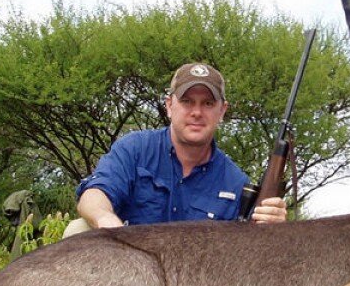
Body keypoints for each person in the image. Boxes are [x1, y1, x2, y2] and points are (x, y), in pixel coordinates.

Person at [69, 62, 287, 233]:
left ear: (222, 111)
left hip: (195, 282)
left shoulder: (236, 183)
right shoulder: (134, 148)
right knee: (78, 230)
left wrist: (271, 226)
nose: (197, 112)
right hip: (133, 273)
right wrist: (106, 220)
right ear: (169, 106)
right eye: (187, 101)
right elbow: (93, 195)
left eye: (208, 103)